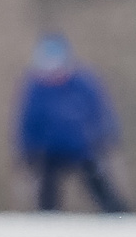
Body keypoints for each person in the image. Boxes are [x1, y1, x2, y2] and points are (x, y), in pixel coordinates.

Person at [15, 33, 129, 213]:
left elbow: (100, 112)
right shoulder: (35, 88)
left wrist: (107, 138)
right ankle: (47, 223)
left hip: (83, 149)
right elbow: (27, 122)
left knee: (101, 186)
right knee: (46, 191)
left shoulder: (83, 82)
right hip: (50, 152)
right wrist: (25, 150)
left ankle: (119, 218)